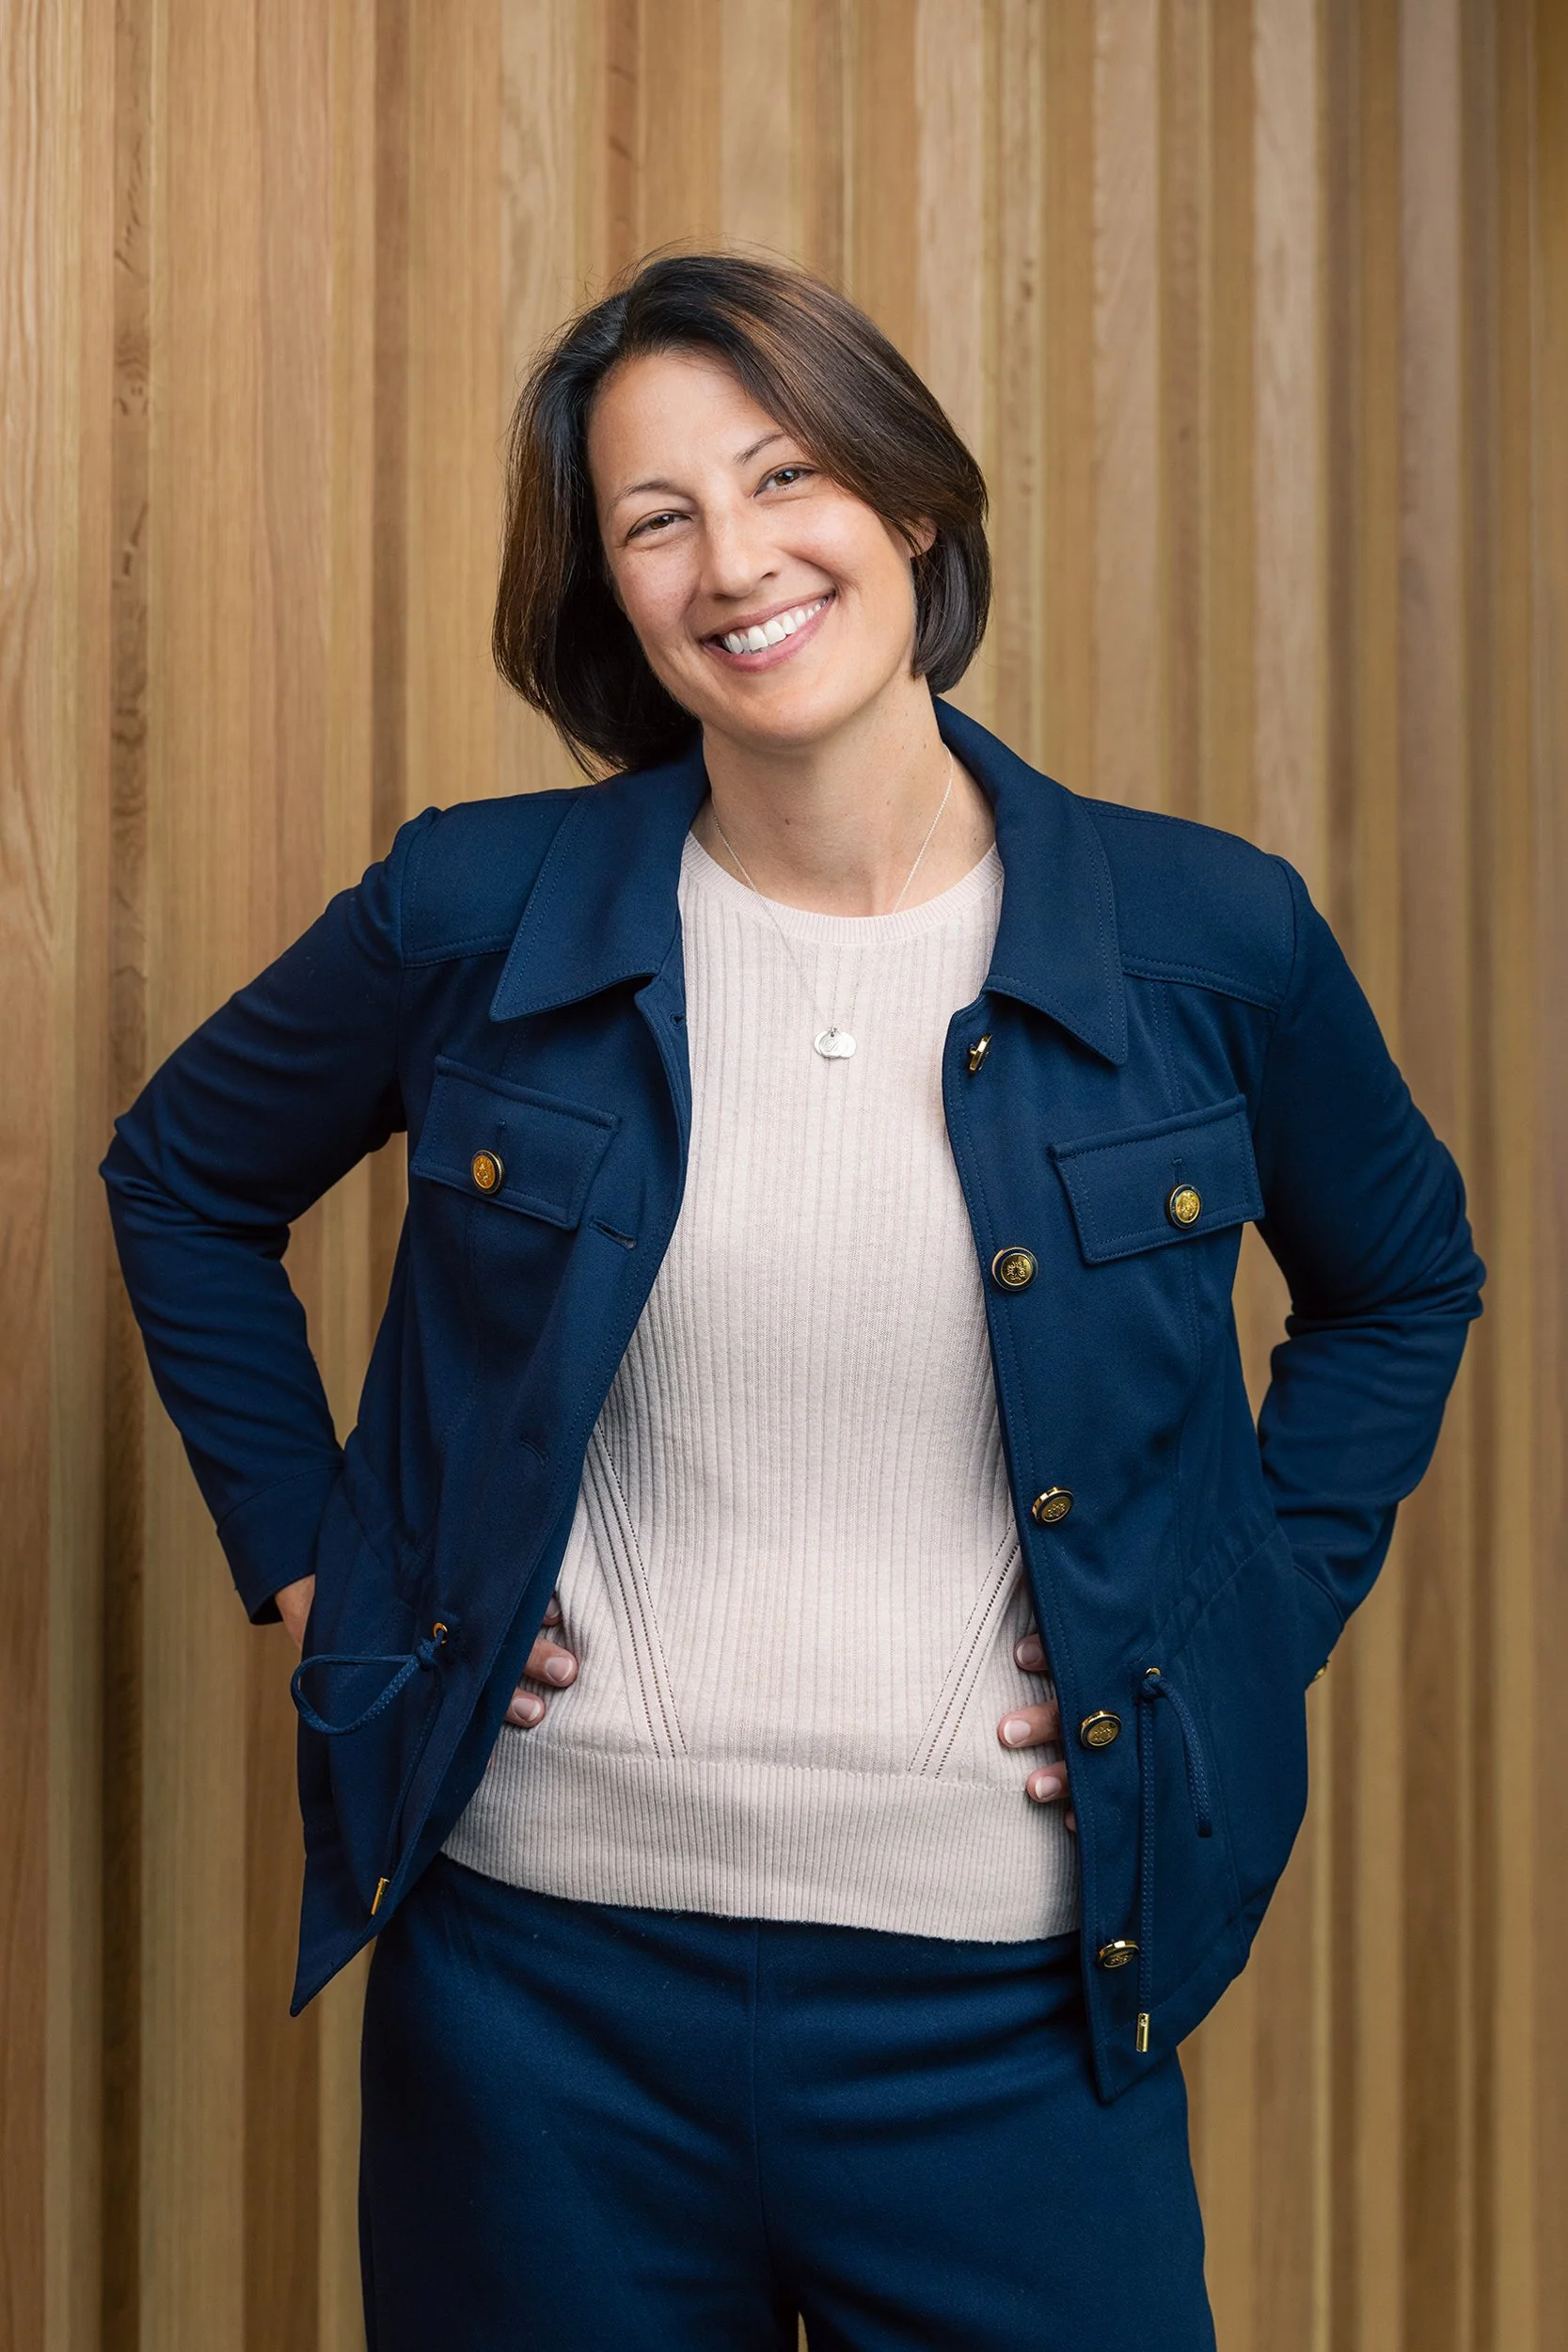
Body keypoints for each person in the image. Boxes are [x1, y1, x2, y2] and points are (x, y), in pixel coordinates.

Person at [103, 252, 1484, 2351]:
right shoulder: (477, 909)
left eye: (784, 477)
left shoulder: (1210, 939)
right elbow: (183, 1176)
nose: (732, 560)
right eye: (655, 519)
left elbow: (1400, 1286)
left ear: (910, 507)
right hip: (538, 2011)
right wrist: (321, 1567)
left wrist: (1240, 1608)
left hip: (1009, 2011)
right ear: (615, 595)